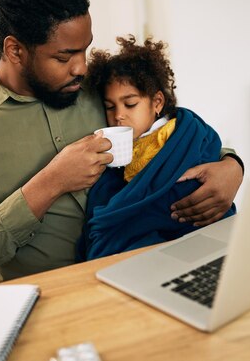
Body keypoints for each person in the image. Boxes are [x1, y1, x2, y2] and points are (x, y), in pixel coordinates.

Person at [0, 0, 244, 286]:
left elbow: (166, 132)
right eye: (64, 57)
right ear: (15, 50)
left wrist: (230, 165)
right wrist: (50, 183)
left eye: (84, 50)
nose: (81, 68)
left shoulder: (101, 87)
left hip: (147, 274)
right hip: (47, 297)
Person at [76, 36, 237, 261]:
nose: (118, 115)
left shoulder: (184, 130)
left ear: (157, 102)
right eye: (110, 107)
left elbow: (204, 153)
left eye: (130, 104)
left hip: (191, 227)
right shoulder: (117, 146)